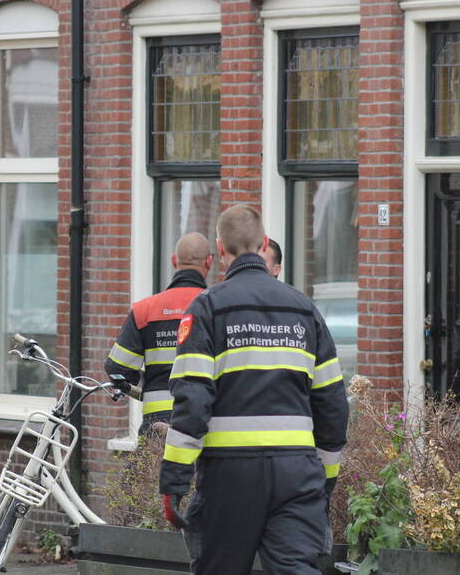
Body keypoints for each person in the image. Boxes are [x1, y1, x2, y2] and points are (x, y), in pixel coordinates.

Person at [159, 205, 348, 575]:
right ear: (264, 244)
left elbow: (192, 402)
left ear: (220, 249)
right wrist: (325, 478)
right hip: (297, 473)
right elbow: (332, 403)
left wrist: (174, 484)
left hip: (230, 476)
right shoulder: (304, 310)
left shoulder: (208, 308)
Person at [105, 232, 213, 432]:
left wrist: (148, 381)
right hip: (206, 420)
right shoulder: (217, 307)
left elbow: (117, 368)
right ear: (209, 261)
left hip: (156, 422)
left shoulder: (144, 310)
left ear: (174, 260)